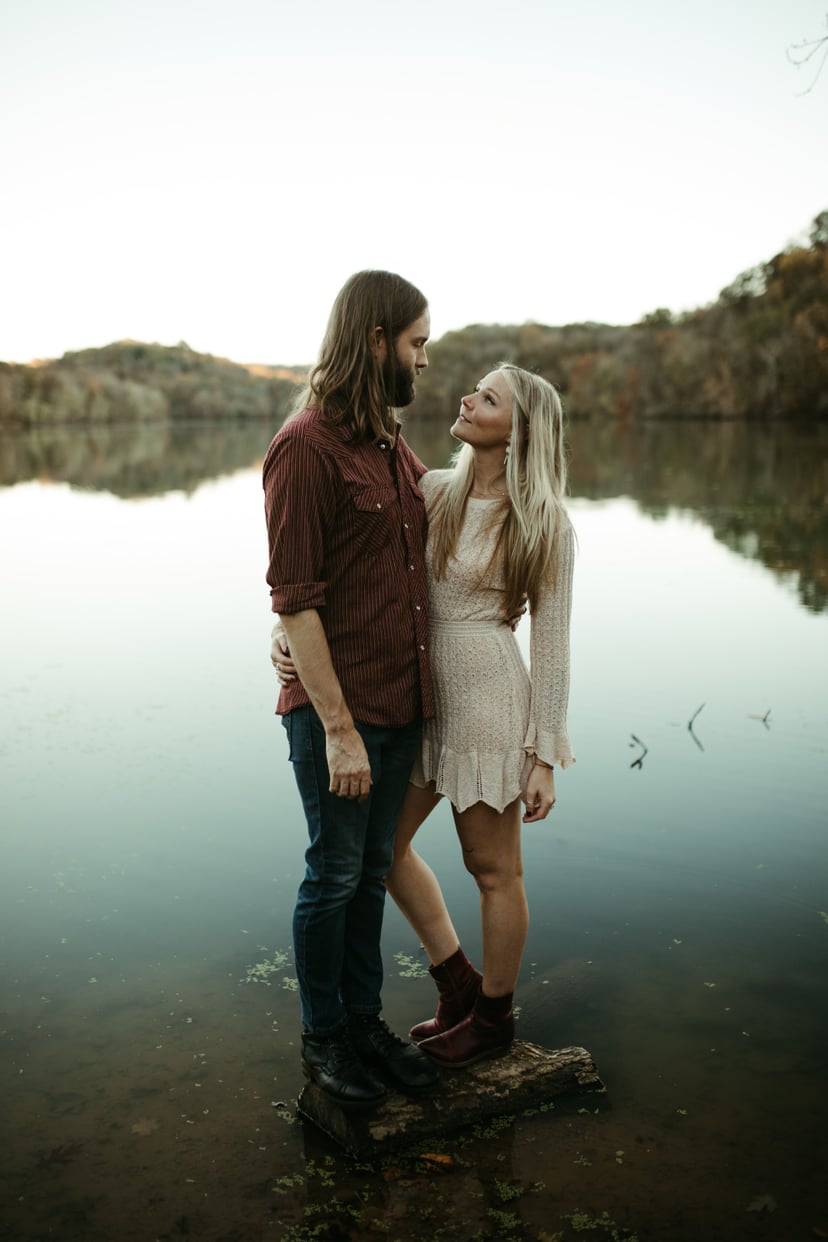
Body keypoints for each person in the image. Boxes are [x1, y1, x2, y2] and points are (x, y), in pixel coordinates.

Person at [277, 363, 575, 1069]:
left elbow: (554, 645)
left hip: (490, 703)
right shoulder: (432, 488)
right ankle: (456, 979)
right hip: (413, 697)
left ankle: (494, 1017)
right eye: (475, 389)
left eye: (488, 398)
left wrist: (543, 754)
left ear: (520, 430)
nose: (467, 399)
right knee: (381, 855)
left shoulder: (544, 523)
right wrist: (288, 634)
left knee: (492, 868)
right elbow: (349, 572)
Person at [262, 270, 441, 1110]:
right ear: (376, 341)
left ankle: (365, 1021)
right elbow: (295, 598)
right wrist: (337, 729)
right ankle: (324, 1037)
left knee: (371, 872)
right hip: (342, 713)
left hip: (401, 705)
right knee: (332, 876)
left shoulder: (389, 444)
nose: (424, 360)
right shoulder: (305, 446)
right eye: (416, 344)